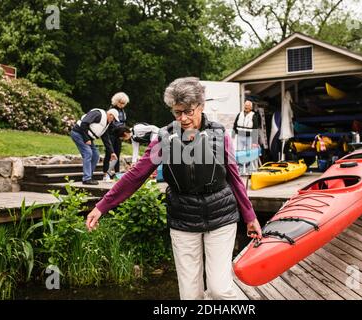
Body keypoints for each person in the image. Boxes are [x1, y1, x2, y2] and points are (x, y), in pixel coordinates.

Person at [85, 77, 262, 300]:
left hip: (220, 216)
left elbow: (234, 177)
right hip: (183, 218)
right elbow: (136, 174)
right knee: (190, 295)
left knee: (220, 290)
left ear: (201, 105)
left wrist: (250, 216)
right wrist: (103, 205)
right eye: (177, 112)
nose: (183, 118)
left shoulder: (220, 134)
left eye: (188, 111)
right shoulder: (165, 138)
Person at [71, 108, 119, 185]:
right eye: (113, 119)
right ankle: (87, 179)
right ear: (110, 115)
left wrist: (112, 152)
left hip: (88, 137)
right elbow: (84, 123)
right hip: (78, 133)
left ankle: (89, 176)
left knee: (96, 155)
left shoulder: (106, 124)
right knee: (88, 153)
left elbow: (106, 139)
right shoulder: (97, 114)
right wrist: (86, 138)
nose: (113, 121)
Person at [103, 92, 130, 181]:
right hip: (111, 134)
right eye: (120, 103)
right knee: (109, 154)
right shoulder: (111, 110)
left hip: (119, 136)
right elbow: (111, 124)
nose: (122, 105)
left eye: (123, 103)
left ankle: (117, 173)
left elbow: (123, 122)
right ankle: (105, 174)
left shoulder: (123, 111)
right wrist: (121, 129)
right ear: (116, 101)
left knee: (117, 154)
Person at [233, 100, 260, 173]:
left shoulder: (253, 115)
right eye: (245, 105)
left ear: (251, 107)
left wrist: (254, 141)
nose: (246, 107)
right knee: (240, 153)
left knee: (248, 154)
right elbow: (235, 125)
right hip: (240, 136)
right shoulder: (240, 114)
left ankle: (248, 170)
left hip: (249, 137)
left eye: (248, 106)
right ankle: (240, 170)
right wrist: (233, 135)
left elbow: (255, 128)